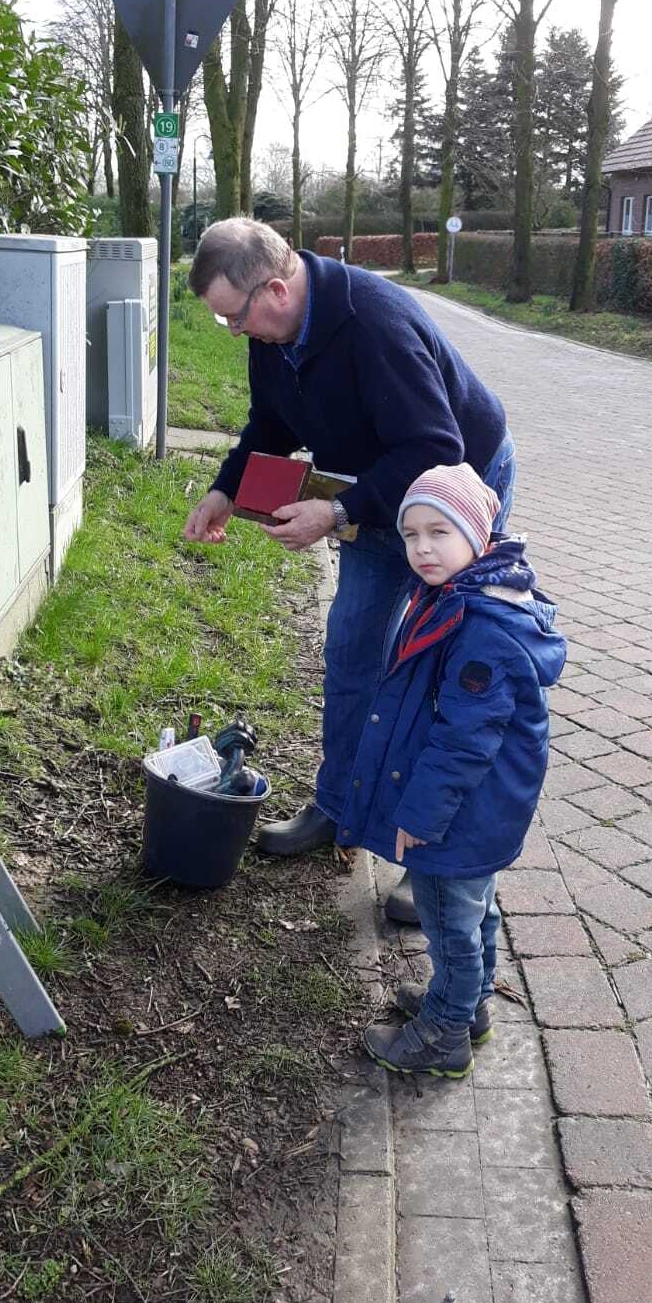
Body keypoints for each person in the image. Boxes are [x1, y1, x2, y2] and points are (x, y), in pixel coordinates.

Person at [183, 219, 516, 920]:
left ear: (276, 287)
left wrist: (333, 516)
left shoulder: (373, 322)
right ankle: (339, 809)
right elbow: (270, 425)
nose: (234, 332)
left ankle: (427, 856)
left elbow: (436, 445)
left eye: (234, 316)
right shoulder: (276, 334)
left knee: (442, 675)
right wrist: (226, 487)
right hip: (376, 487)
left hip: (455, 493)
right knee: (352, 653)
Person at [351, 463, 567, 1078]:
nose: (422, 548)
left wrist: (418, 817)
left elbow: (464, 742)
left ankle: (443, 1035)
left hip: (456, 812)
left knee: (449, 924)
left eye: (438, 532)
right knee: (473, 911)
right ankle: (468, 1007)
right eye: (411, 533)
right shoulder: (456, 597)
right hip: (474, 807)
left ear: (478, 536)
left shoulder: (481, 630)